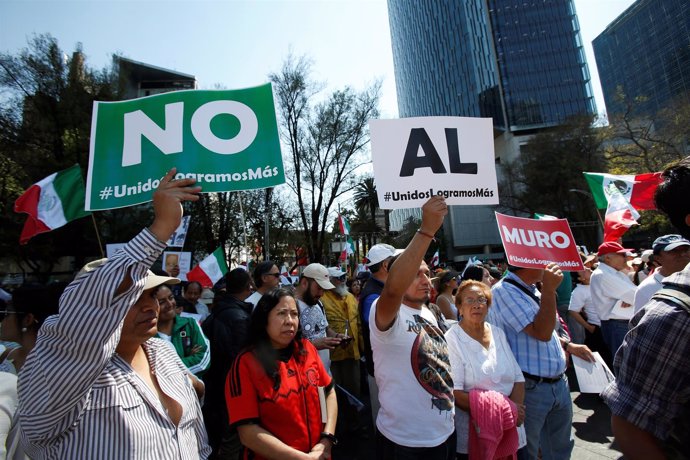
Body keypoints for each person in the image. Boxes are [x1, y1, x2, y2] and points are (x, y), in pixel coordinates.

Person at [16, 168, 211, 458]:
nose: (149, 305)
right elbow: (88, 307)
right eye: (131, 298)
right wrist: (160, 228)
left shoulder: (164, 353)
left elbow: (196, 439)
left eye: (151, 295)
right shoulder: (63, 367)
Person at [602, 157, 690, 458]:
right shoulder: (669, 315)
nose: (626, 260)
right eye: (619, 256)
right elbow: (631, 424)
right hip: (616, 329)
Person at [370, 196, 455, 460]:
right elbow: (394, 288)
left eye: (427, 273)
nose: (424, 279)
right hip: (404, 443)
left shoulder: (430, 312)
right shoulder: (383, 312)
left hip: (444, 434)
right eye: (415, 273)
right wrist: (427, 230)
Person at [488, 264, 595, 459]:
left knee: (560, 448)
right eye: (543, 261)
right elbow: (541, 332)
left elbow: (550, 331)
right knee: (528, 450)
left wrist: (568, 346)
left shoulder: (532, 289)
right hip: (531, 388)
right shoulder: (504, 291)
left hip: (557, 384)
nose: (550, 266)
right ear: (527, 264)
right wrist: (548, 290)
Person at [226, 287, 338, 460]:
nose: (289, 321)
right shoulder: (245, 364)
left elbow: (327, 392)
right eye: (281, 313)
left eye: (294, 314)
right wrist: (302, 458)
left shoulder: (306, 349)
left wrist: (326, 439)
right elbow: (248, 433)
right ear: (264, 319)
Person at [446, 280, 526, 459]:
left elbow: (518, 377)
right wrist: (509, 411)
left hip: (511, 429)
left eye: (481, 300)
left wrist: (515, 413)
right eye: (469, 300)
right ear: (459, 307)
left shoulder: (497, 332)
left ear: (488, 306)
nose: (476, 305)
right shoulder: (452, 339)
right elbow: (456, 392)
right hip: (477, 433)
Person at [202, 268, 254, 459]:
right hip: (232, 389)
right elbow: (242, 358)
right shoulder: (239, 318)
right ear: (248, 287)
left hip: (216, 387)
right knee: (232, 440)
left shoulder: (217, 312)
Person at [359, 243, 399, 424]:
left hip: (387, 365)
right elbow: (381, 327)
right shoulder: (373, 296)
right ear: (385, 265)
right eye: (396, 261)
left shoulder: (381, 289)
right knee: (384, 418)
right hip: (381, 368)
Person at [321, 267, 364, 432]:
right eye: (339, 278)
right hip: (333, 356)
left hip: (353, 353)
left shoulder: (351, 297)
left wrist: (362, 348)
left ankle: (355, 424)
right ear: (330, 281)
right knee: (335, 393)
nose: (343, 280)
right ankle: (335, 428)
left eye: (344, 277)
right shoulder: (323, 299)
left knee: (354, 391)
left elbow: (358, 323)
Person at [0, 284, 63, 374]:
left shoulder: (48, 368)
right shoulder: (7, 354)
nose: (3, 320)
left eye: (7, 314)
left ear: (27, 320)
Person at [590, 241, 637, 360]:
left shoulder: (615, 273)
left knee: (629, 361)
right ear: (607, 258)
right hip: (617, 325)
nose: (626, 258)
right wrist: (630, 298)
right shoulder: (603, 274)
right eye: (621, 255)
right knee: (625, 363)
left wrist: (629, 298)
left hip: (620, 324)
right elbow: (635, 295)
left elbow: (635, 294)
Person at [155, 284, 211, 377]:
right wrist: (188, 358)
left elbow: (203, 361)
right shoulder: (146, 334)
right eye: (161, 302)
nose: (169, 304)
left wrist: (167, 369)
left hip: (190, 390)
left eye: (171, 297)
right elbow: (150, 370)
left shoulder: (190, 324)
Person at [295, 263, 343, 370]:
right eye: (319, 288)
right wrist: (313, 344)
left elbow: (325, 328)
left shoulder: (318, 303)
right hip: (305, 377)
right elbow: (288, 346)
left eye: (324, 290)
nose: (322, 294)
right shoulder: (291, 307)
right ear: (304, 283)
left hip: (324, 374)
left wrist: (336, 337)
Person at [633, 234, 690, 313]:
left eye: (686, 250)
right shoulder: (647, 288)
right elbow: (640, 322)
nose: (682, 254)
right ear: (657, 258)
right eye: (674, 251)